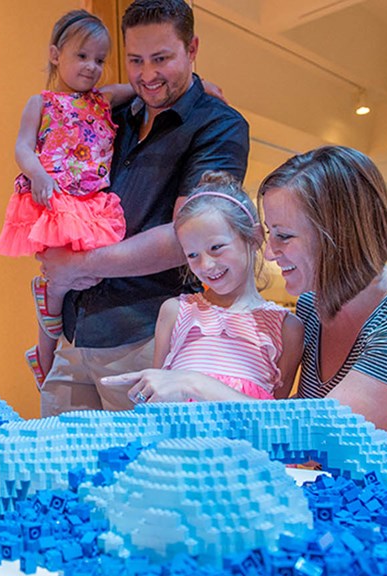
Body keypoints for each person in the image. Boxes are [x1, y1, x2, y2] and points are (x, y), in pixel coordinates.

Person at [107, 146, 387, 485]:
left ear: (337, 233)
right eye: (269, 234)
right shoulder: (312, 307)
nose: (268, 253)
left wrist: (195, 384)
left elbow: (322, 434)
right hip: (344, 502)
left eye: (284, 236)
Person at [36, 0, 250, 416]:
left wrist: (78, 264)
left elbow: (187, 237)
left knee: (139, 472)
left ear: (192, 50)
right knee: (54, 471)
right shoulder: (115, 112)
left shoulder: (218, 125)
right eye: (135, 60)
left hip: (147, 335)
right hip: (76, 332)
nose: (147, 74)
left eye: (161, 58)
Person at [0, 10, 134, 388]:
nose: (92, 67)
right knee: (60, 283)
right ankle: (45, 354)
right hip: (56, 194)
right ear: (56, 55)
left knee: (86, 274)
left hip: (91, 199)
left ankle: (47, 344)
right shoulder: (40, 102)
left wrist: (198, 85)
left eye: (100, 60)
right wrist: (37, 173)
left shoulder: (104, 99)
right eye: (82, 56)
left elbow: (142, 85)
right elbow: (22, 147)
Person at [128, 171, 303, 404]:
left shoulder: (287, 327)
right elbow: (158, 390)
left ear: (253, 237)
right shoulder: (175, 311)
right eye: (192, 254)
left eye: (216, 247)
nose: (206, 265)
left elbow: (273, 415)